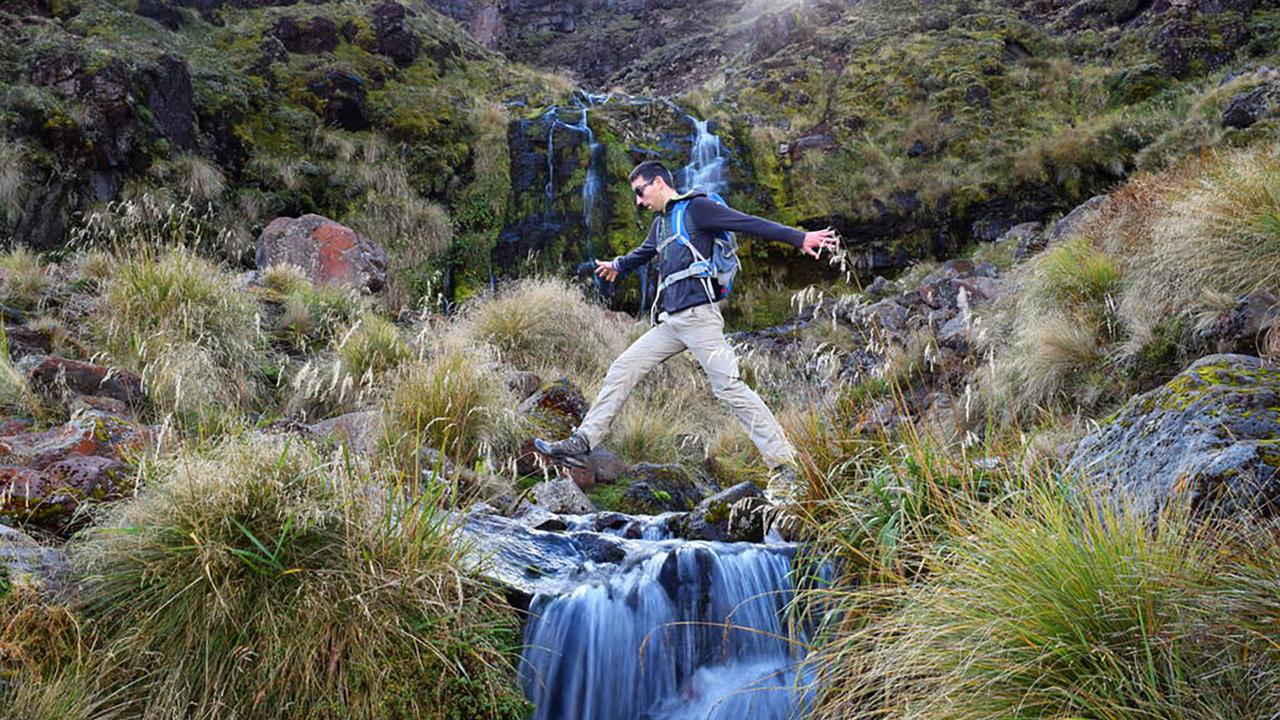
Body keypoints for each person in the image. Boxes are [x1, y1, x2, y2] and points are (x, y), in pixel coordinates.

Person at [534, 160, 839, 502]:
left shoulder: (697, 208)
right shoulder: (661, 225)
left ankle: (784, 464)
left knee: (729, 388)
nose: (638, 201)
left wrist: (799, 238)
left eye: (640, 191)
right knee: (623, 368)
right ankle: (582, 443)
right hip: (671, 324)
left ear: (660, 183)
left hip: (700, 319)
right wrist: (618, 265)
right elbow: (644, 253)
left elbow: (747, 223)